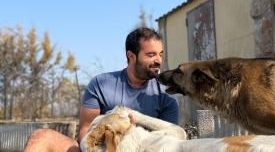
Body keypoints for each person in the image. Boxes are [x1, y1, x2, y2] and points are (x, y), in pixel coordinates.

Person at [24, 27, 179, 152]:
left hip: (143, 149)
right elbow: (85, 131)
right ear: (131, 56)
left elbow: (170, 141)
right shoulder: (102, 83)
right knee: (41, 136)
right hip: (98, 149)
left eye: (160, 54)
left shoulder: (166, 94)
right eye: (151, 54)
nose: (158, 60)